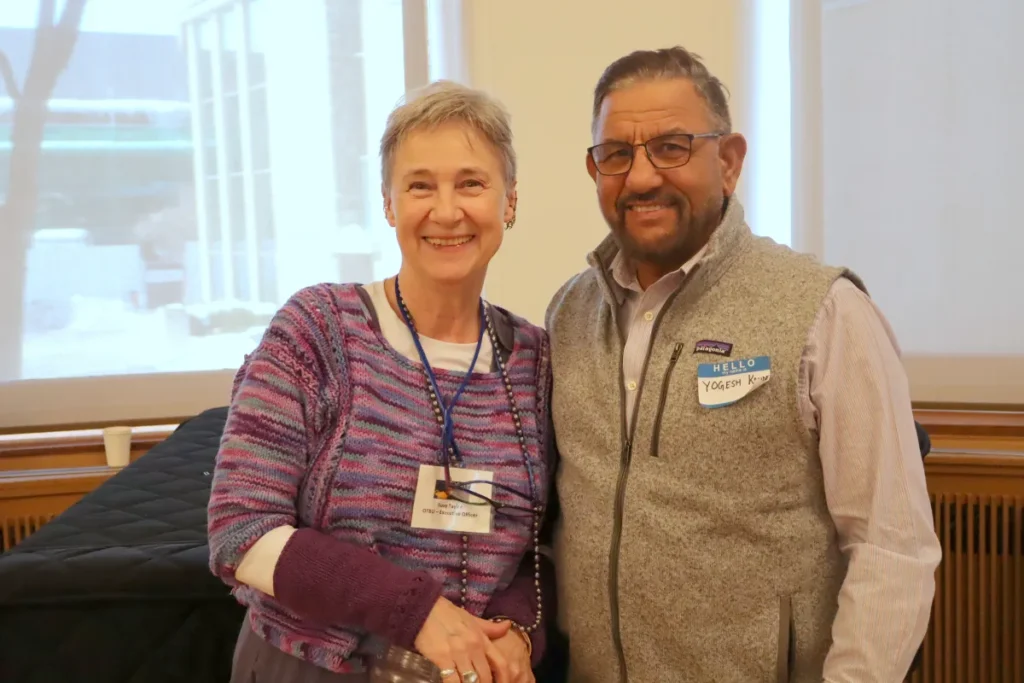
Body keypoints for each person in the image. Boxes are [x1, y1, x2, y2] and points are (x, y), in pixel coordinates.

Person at [545, 46, 942, 682]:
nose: (642, 177)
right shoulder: (567, 314)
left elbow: (891, 547)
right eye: (616, 154)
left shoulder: (825, 312)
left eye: (672, 146)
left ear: (728, 162)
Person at [208, 81, 554, 683]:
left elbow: (540, 549)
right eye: (421, 185)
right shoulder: (319, 330)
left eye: (471, 183)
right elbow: (241, 530)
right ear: (390, 205)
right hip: (311, 668)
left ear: (511, 202)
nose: (446, 211)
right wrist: (418, 613)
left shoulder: (534, 362)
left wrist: (519, 633)